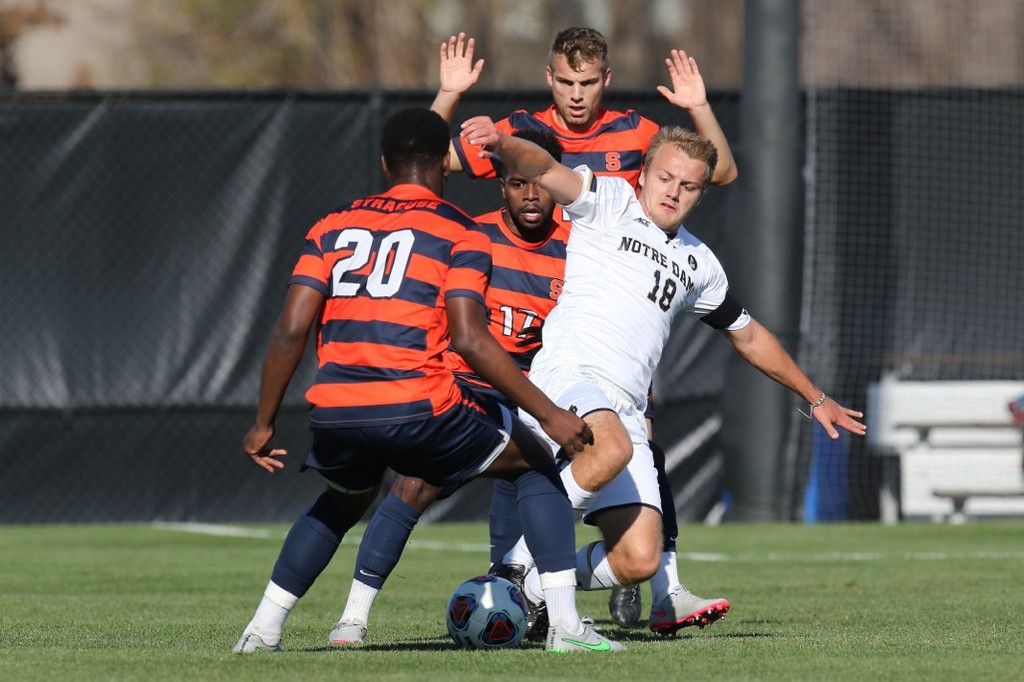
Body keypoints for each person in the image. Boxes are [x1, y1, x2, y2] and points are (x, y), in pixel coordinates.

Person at [231, 108, 624, 654]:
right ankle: (564, 627)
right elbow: (469, 338)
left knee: (341, 502)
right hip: (418, 404)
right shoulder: (460, 231)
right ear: (446, 162)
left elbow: (290, 330)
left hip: (336, 409)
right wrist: (553, 415)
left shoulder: (330, 225)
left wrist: (263, 423)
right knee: (534, 461)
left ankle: (262, 631)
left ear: (384, 163)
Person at [458, 115, 867, 637]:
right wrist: (503, 144)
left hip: (627, 404)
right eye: (666, 178)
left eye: (689, 185)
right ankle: (515, 564)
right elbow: (544, 167)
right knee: (610, 451)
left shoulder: (701, 262)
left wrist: (815, 396)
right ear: (645, 173)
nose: (674, 192)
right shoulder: (607, 202)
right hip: (571, 372)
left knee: (638, 560)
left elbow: (748, 335)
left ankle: (532, 592)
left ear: (700, 194)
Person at [433, 27, 738, 631]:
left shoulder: (636, 134)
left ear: (606, 80)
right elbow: (431, 157)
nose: (577, 95)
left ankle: (659, 588)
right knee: (536, 453)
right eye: (566, 82)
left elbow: (717, 170)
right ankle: (517, 575)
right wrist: (447, 95)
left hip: (605, 316)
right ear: (550, 79)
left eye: (588, 83)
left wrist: (698, 106)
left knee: (638, 441)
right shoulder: (524, 130)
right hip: (537, 306)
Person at [328, 129, 573, 647]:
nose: (531, 195)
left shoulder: (581, 250)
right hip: (461, 385)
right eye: (516, 183)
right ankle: (353, 617)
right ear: (500, 187)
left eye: (541, 184)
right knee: (415, 484)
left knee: (558, 471)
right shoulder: (469, 236)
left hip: (536, 390)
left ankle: (552, 598)